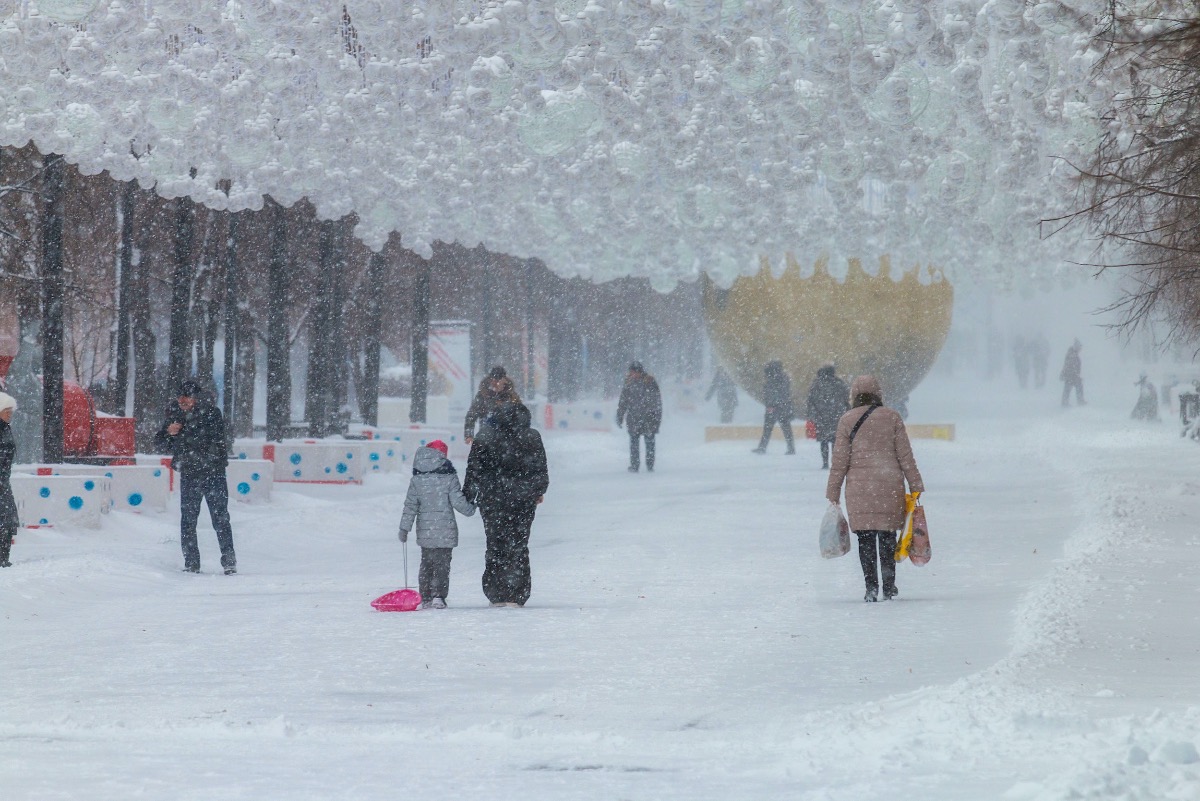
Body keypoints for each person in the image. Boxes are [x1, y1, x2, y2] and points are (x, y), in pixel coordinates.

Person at [825, 375, 924, 603]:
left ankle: (871, 587)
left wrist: (833, 492)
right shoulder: (892, 417)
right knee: (888, 538)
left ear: (854, 395)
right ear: (878, 393)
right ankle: (888, 586)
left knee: (866, 540)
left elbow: (840, 461)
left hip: (860, 490)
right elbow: (905, 456)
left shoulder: (847, 420)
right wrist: (916, 484)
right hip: (889, 485)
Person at [463, 403, 548, 607]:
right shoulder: (532, 436)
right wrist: (538, 491)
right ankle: (518, 592)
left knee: (495, 543)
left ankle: (496, 591)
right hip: (523, 500)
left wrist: (468, 495)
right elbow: (540, 468)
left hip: (492, 500)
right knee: (519, 544)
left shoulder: (485, 436)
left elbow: (474, 469)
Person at [155, 380, 237, 575]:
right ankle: (191, 562)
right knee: (188, 520)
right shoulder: (175, 415)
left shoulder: (212, 414)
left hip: (213, 473)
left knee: (220, 518)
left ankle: (229, 560)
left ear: (195, 398)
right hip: (190, 474)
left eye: (187, 398)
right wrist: (169, 432)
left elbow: (211, 439)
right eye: (180, 398)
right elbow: (159, 442)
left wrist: (182, 433)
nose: (182, 401)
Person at [398, 439, 476, 609]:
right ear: (442, 456)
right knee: (442, 564)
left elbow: (410, 506)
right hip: (445, 531)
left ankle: (425, 596)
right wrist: (471, 509)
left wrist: (404, 527)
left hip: (426, 531)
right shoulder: (449, 477)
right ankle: (438, 596)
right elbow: (458, 501)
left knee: (426, 563)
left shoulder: (417, 479)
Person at [616, 361, 663, 472]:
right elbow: (623, 402)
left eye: (632, 372)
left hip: (649, 418)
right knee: (634, 444)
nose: (631, 374)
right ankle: (634, 465)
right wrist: (620, 416)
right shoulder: (628, 383)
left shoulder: (650, 382)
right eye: (630, 372)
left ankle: (650, 465)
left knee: (649, 443)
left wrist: (656, 418)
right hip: (634, 418)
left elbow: (657, 402)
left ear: (638, 372)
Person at [805, 364, 849, 469]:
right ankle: (835, 462)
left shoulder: (816, 384)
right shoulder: (839, 383)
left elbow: (810, 401)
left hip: (821, 417)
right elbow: (846, 399)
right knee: (835, 440)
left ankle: (825, 463)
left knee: (824, 441)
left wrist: (812, 415)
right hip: (836, 416)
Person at [464, 366, 521, 445]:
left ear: (504, 381)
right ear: (490, 380)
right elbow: (471, 415)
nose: (496, 383)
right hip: (486, 439)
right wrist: (469, 434)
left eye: (498, 380)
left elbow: (520, 416)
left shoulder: (511, 396)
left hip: (507, 440)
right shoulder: (483, 395)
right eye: (493, 380)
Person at [753, 360, 795, 454]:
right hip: (782, 407)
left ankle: (763, 447)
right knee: (786, 428)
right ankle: (791, 448)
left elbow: (773, 394)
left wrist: (771, 405)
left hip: (774, 408)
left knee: (768, 429)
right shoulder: (783, 378)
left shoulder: (773, 379)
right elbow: (784, 393)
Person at [0, 392, 19, 568]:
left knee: (6, 522)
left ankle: (3, 558)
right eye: (6, 410)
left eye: (10, 411)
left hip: (3, 482)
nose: (9, 414)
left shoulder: (6, 429)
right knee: (4, 521)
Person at [1060, 339, 1085, 407]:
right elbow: (1069, 365)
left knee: (1069, 388)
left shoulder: (1072, 353)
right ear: (1076, 347)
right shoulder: (1072, 354)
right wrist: (1074, 375)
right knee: (1072, 387)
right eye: (1079, 347)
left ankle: (1066, 402)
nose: (1080, 349)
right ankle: (1079, 401)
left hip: (1072, 375)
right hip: (1071, 375)